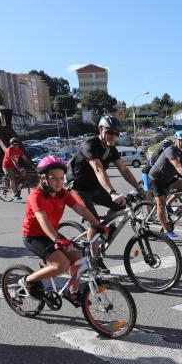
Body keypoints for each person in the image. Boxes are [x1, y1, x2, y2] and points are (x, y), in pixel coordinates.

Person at [19, 155, 106, 303]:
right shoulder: (36, 196)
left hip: (51, 233)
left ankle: (73, 291)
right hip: (34, 236)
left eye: (62, 178)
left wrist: (97, 224)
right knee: (62, 264)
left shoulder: (62, 193)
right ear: (44, 178)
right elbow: (42, 219)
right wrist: (57, 239)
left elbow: (80, 208)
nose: (59, 182)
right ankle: (27, 280)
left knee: (78, 259)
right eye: (54, 178)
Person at [67, 115, 144, 272]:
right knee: (94, 223)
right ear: (101, 130)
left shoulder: (111, 149)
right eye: (110, 133)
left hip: (95, 188)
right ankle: (94, 259)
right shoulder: (89, 145)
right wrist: (113, 192)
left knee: (119, 206)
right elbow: (98, 169)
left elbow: (124, 170)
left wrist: (139, 188)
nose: (114, 137)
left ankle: (103, 229)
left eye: (117, 134)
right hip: (78, 188)